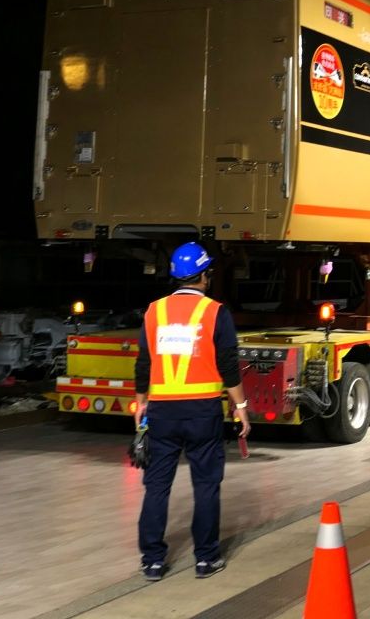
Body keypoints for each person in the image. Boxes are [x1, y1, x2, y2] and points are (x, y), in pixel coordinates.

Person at [133, 241, 252, 581]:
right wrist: (241, 408)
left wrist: (141, 402)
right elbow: (228, 365)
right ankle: (206, 559)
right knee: (206, 485)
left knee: (156, 486)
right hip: (202, 411)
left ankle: (153, 561)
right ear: (204, 276)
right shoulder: (216, 312)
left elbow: (144, 362)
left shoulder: (154, 311)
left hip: (162, 412)